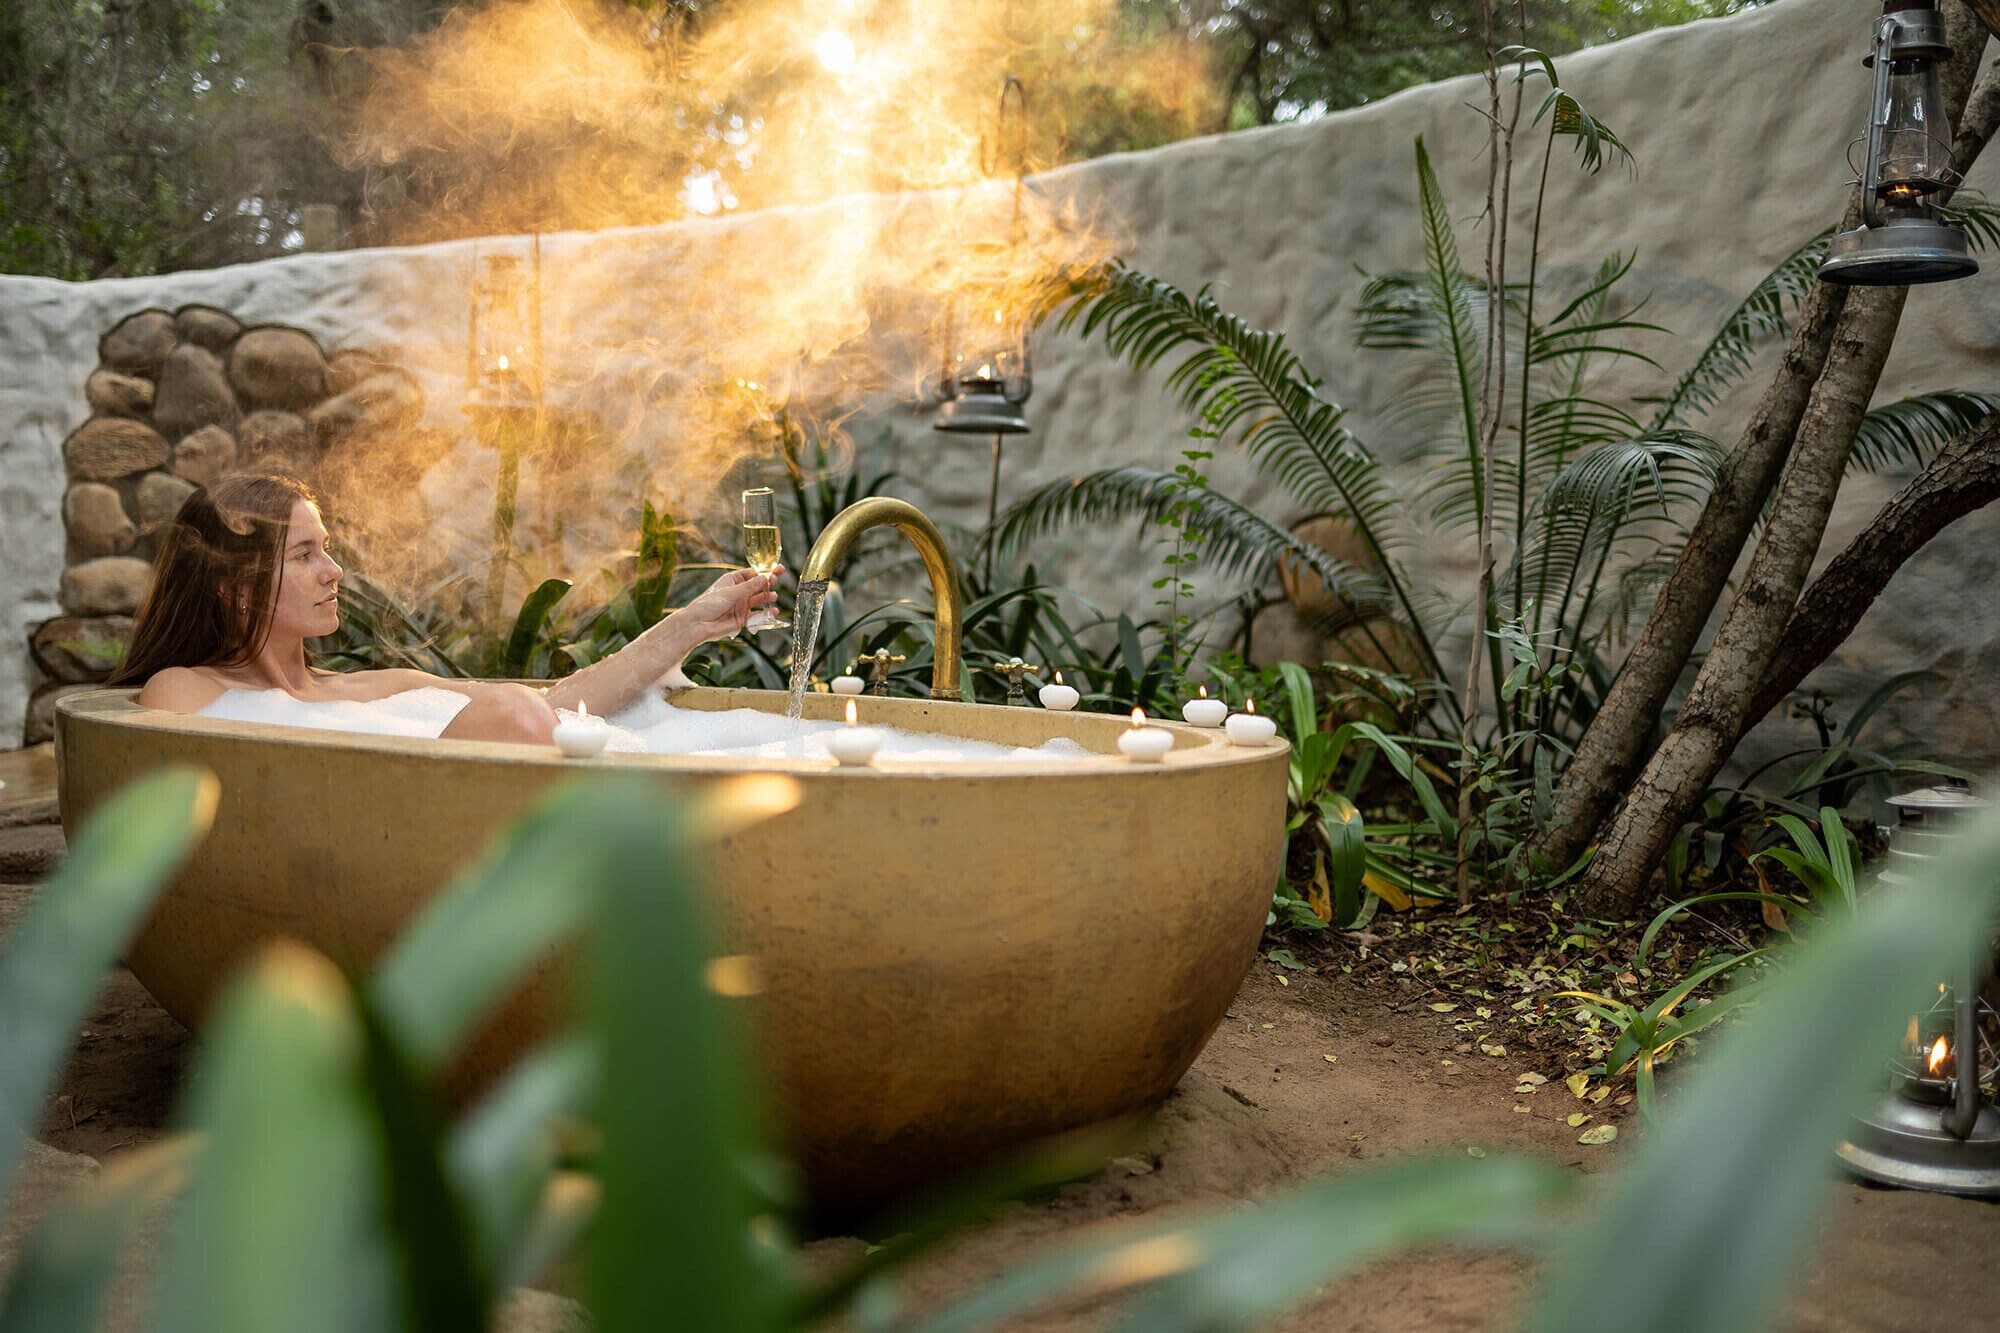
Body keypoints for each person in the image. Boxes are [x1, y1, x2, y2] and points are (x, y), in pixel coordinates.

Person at [109, 472, 778, 744]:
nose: (334, 570)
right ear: (237, 588)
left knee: (519, 709)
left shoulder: (374, 692)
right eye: (305, 554)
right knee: (510, 713)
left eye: (328, 548)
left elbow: (562, 703)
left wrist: (694, 621)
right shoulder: (190, 691)